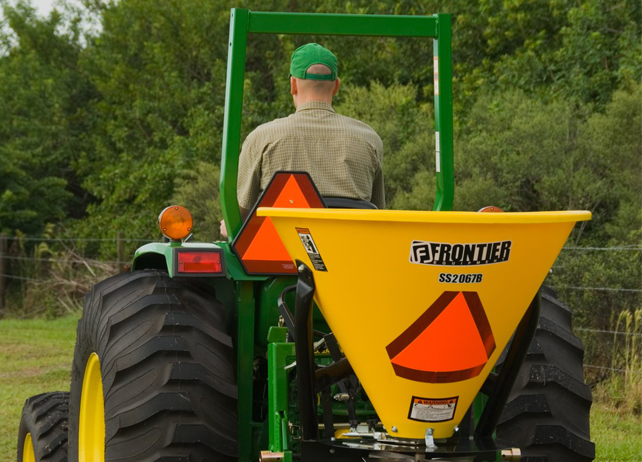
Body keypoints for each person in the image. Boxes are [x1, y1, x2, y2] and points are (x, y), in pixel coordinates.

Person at [221, 43, 384, 238]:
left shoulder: (263, 138)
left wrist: (229, 226)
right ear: (336, 86)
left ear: (293, 85)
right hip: (349, 256)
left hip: (279, 261)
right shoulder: (368, 139)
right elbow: (377, 211)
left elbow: (241, 213)